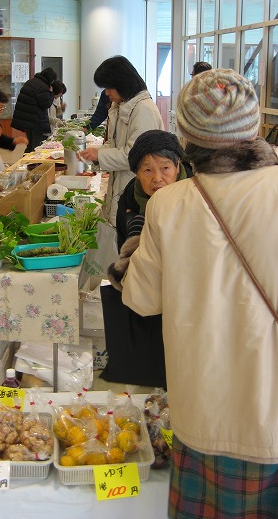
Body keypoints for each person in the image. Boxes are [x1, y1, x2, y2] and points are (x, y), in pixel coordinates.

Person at [120, 69, 278, 518]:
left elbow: (142, 299)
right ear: (254, 126)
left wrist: (128, 260)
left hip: (204, 404)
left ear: (187, 136)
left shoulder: (170, 203)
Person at [102, 130, 192, 387]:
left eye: (165, 168)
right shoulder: (130, 198)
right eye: (147, 170)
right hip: (149, 292)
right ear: (136, 173)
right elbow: (123, 251)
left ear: (178, 166)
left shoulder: (195, 195)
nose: (157, 179)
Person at [81, 55, 164, 225]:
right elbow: (114, 144)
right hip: (122, 184)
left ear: (122, 83)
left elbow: (135, 155)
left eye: (109, 87)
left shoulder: (143, 110)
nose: (106, 93)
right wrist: (96, 153)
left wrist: (99, 156)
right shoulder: (121, 107)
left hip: (136, 188)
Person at [11, 66, 57, 152]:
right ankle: (33, 164)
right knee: (36, 147)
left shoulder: (31, 82)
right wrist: (51, 93)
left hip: (27, 119)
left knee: (31, 144)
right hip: (36, 120)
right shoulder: (43, 86)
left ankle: (25, 163)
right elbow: (46, 104)